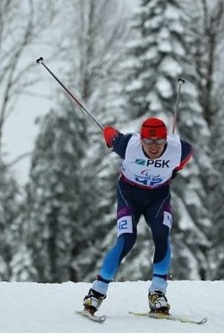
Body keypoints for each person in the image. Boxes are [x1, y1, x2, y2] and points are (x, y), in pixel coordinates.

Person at [81, 116, 193, 317]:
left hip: (158, 197)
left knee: (162, 234)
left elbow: (186, 155)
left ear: (166, 139)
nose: (153, 147)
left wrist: (176, 169)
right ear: (141, 139)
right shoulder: (127, 145)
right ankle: (96, 293)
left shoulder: (179, 149)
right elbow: (110, 134)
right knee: (127, 239)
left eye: (159, 141)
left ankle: (157, 293)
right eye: (148, 141)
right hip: (129, 195)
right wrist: (108, 136)